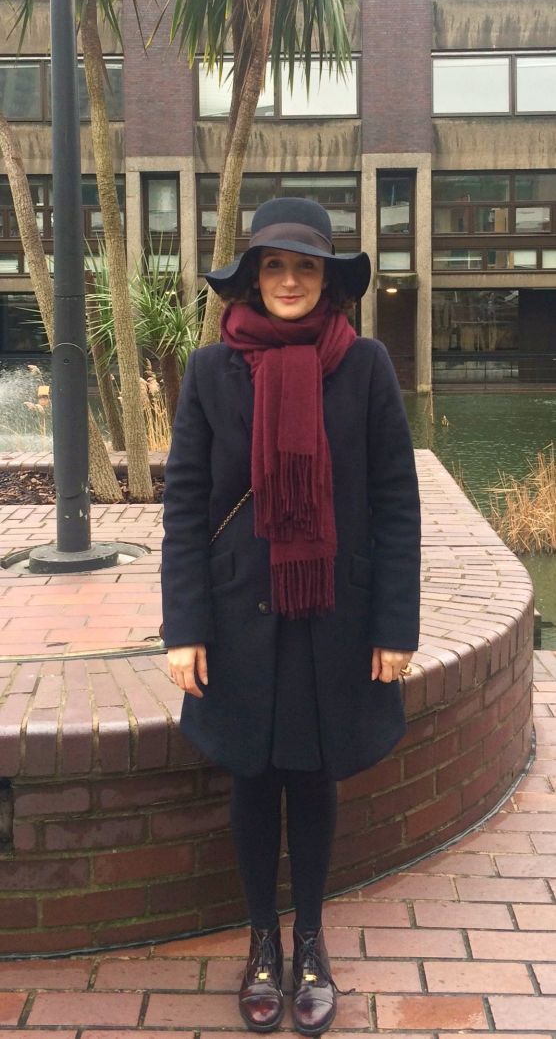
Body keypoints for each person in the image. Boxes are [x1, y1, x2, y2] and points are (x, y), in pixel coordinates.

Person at [161, 197, 421, 1035]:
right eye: (272, 266)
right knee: (252, 774)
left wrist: (395, 627)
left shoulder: (365, 365)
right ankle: (261, 942)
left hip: (335, 611)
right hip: (239, 613)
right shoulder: (211, 370)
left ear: (326, 281)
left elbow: (395, 501)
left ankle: (310, 940)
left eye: (304, 267)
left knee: (312, 776)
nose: (288, 280)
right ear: (252, 278)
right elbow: (186, 508)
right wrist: (183, 627)